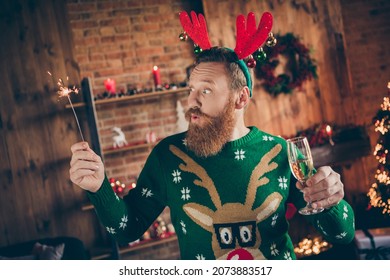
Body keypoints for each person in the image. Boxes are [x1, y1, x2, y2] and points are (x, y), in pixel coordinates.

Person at [69, 47, 355, 260]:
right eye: (191, 89)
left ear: (240, 98)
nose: (191, 101)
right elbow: (127, 229)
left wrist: (331, 200)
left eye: (205, 91)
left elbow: (342, 234)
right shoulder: (168, 156)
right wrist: (99, 188)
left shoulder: (280, 152)